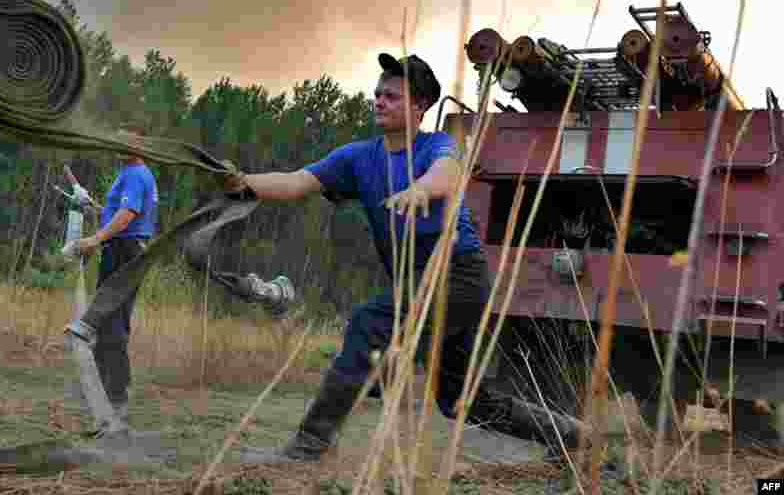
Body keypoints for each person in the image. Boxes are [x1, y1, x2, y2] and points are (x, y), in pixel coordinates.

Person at [220, 53, 585, 462]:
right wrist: (245, 183)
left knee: (369, 323)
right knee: (462, 401)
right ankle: (574, 436)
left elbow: (447, 172)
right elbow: (297, 181)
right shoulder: (357, 157)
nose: (379, 101)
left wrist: (421, 190)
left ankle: (309, 445)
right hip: (419, 280)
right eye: (378, 94)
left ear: (420, 106)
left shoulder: (435, 146)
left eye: (391, 96)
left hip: (457, 277)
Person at [72, 126, 159, 436]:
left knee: (112, 325)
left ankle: (116, 405)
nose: (117, 145)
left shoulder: (135, 174)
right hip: (122, 249)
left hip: (125, 252)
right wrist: (91, 206)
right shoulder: (131, 173)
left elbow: (128, 215)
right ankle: (103, 405)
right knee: (106, 321)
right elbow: (118, 213)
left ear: (138, 145)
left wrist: (95, 239)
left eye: (124, 141)